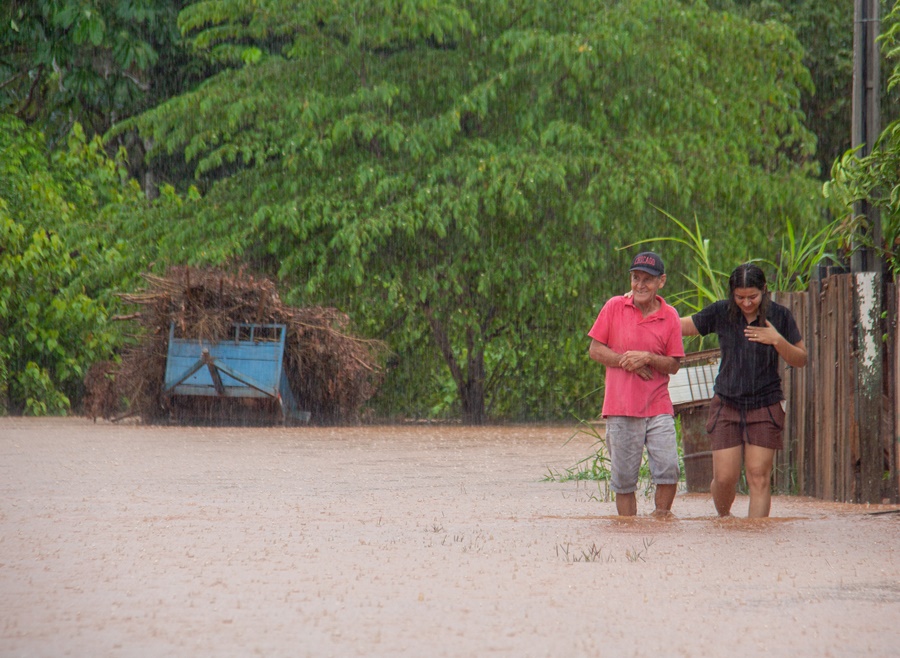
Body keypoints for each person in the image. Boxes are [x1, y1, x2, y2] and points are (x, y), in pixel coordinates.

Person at [681, 263, 807, 518]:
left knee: (759, 476)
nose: (747, 303)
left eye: (753, 297)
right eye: (740, 297)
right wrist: (648, 308)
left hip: (765, 404)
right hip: (727, 403)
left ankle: (756, 540)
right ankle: (725, 522)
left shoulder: (780, 316)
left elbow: (801, 358)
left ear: (764, 290)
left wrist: (777, 340)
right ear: (732, 293)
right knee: (725, 478)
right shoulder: (720, 312)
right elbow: (681, 326)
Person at [588, 252, 684, 517]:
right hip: (621, 407)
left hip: (658, 406)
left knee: (669, 471)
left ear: (661, 282)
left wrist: (649, 358)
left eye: (648, 280)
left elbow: (674, 365)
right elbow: (595, 350)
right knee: (624, 481)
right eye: (635, 278)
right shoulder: (614, 306)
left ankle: (660, 522)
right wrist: (624, 360)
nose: (640, 285)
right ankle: (629, 532)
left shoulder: (670, 316)